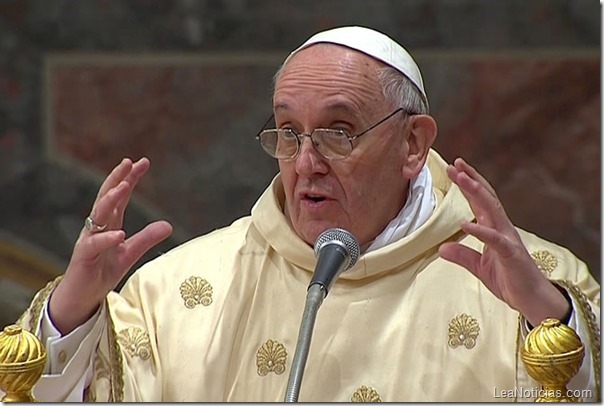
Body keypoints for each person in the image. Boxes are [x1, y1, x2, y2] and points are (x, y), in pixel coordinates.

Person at [8, 26, 599, 402]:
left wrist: (551, 321)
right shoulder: (177, 294)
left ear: (413, 144)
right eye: (289, 133)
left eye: (338, 132)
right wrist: (74, 312)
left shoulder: (534, 283)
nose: (306, 162)